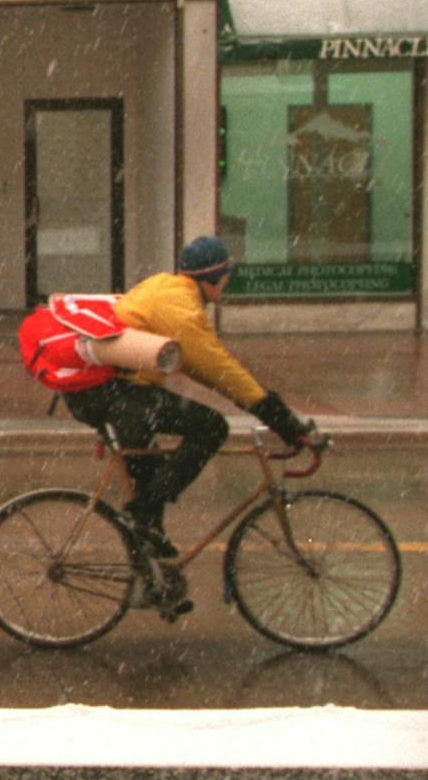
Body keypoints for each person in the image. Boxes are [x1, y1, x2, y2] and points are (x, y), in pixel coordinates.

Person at [60, 237, 319, 599]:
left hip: (110, 392)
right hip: (120, 395)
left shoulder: (167, 287)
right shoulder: (179, 306)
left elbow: (199, 366)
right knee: (211, 427)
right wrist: (283, 422)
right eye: (226, 276)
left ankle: (153, 580)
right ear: (214, 277)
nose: (227, 283)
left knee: (150, 480)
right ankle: (145, 527)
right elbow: (219, 370)